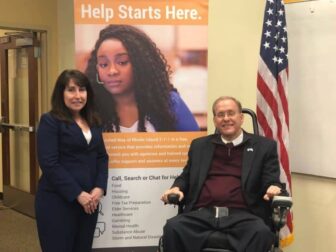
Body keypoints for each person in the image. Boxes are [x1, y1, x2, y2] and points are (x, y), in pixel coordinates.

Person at [160, 96, 283, 252]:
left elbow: (271, 180)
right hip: (203, 213)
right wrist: (176, 187)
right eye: (220, 114)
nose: (226, 119)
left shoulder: (264, 147)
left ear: (241, 117)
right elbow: (186, 176)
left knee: (261, 232)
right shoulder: (200, 146)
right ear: (215, 120)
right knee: (173, 227)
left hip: (243, 216)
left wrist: (273, 187)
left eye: (231, 113)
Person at [35, 69, 109, 252]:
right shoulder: (50, 121)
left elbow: (101, 157)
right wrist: (78, 194)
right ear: (61, 94)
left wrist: (99, 188)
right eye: (71, 90)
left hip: (90, 202)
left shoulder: (93, 121)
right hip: (58, 201)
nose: (78, 95)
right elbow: (49, 163)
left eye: (82, 90)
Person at [84, 24, 200, 132]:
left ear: (140, 65)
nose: (112, 71)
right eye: (104, 64)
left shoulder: (167, 102)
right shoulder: (90, 107)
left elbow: (194, 147)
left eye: (122, 62)